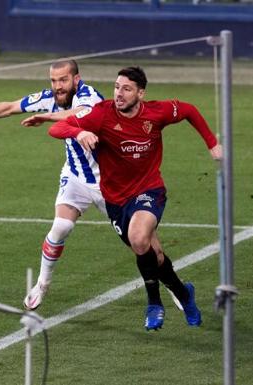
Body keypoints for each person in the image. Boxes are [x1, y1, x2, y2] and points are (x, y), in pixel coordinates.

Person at [48, 66, 223, 331]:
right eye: (117, 87)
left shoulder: (156, 112)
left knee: (139, 238)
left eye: (126, 89)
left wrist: (212, 143)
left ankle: (154, 303)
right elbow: (58, 127)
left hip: (149, 190)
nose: (119, 93)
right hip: (116, 200)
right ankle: (185, 294)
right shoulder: (101, 114)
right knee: (154, 255)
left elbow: (188, 110)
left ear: (141, 93)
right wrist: (79, 132)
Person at [0, 59, 105, 311]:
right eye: (54, 80)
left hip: (107, 179)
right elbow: (12, 106)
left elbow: (77, 115)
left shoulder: (90, 97)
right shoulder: (50, 98)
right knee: (60, 227)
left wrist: (46, 117)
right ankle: (42, 284)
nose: (57, 86)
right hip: (76, 176)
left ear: (76, 79)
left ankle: (171, 285)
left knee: (138, 241)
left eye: (63, 80)